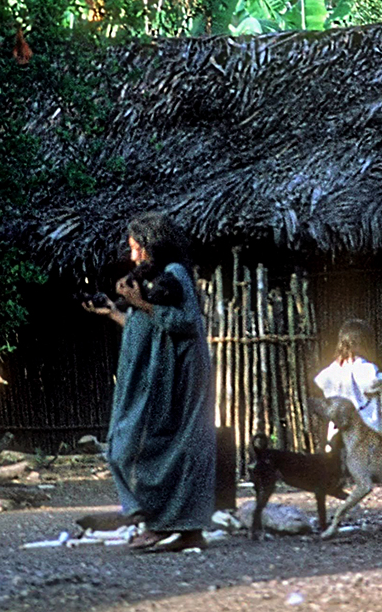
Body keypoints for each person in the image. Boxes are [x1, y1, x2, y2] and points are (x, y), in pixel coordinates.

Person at [83, 212, 215, 552]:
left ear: (151, 246)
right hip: (159, 377)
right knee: (142, 446)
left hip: (179, 379)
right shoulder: (161, 278)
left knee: (153, 447)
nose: (132, 256)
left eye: (135, 248)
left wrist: (140, 302)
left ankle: (169, 525)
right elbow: (149, 327)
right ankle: (161, 523)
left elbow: (184, 322)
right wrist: (114, 311)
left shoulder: (175, 275)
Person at [314, 318, 382, 435]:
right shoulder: (364, 367)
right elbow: (371, 384)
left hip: (337, 431)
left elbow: (320, 382)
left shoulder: (333, 369)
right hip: (362, 434)